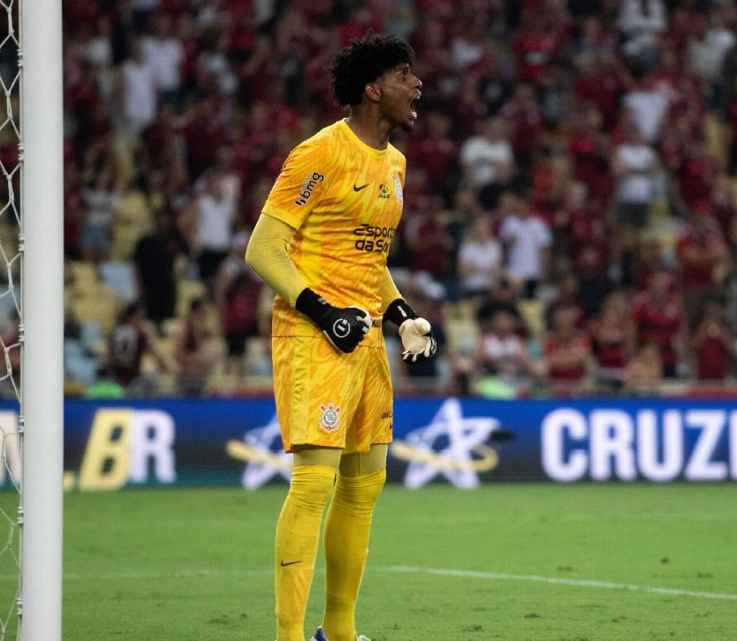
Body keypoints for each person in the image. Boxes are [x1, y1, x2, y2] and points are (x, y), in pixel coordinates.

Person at [242, 34, 435, 641]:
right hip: (312, 333)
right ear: (374, 87)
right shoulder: (318, 154)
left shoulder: (395, 164)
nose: (417, 85)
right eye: (406, 74)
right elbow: (262, 250)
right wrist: (323, 312)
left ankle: (340, 632)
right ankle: (289, 637)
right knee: (314, 482)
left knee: (366, 482)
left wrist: (400, 313)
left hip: (364, 338)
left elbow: (368, 260)